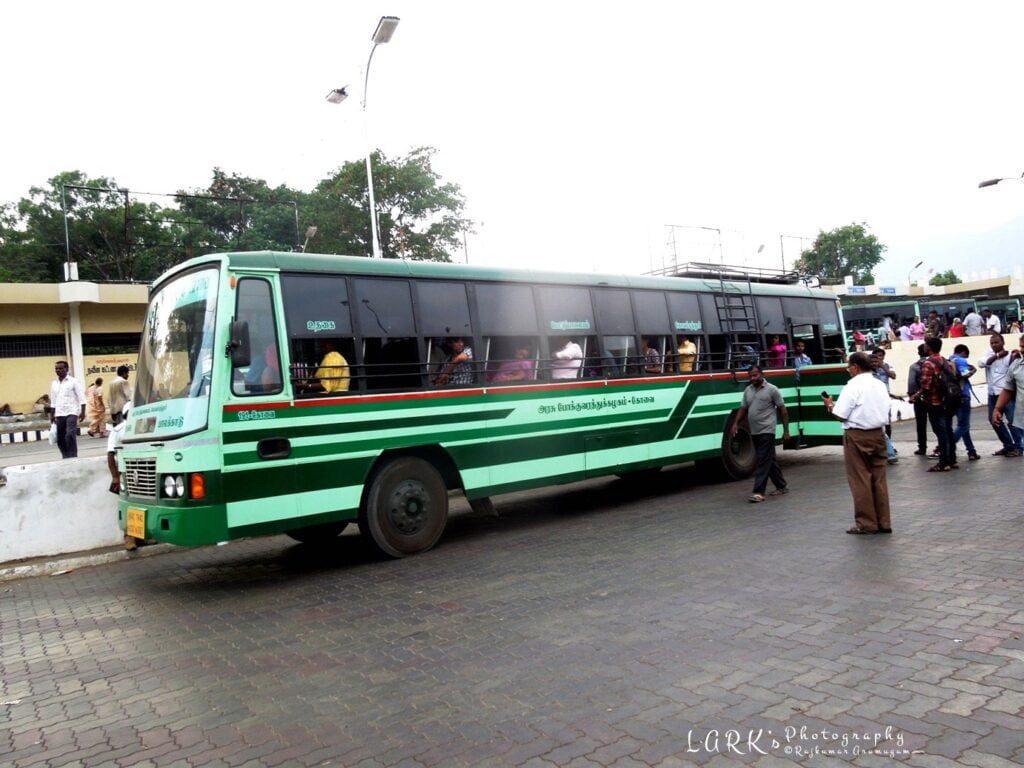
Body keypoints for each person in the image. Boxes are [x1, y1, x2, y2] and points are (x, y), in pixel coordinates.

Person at [822, 352, 892, 534]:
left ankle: (866, 523)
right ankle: (884, 522)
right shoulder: (879, 384)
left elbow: (840, 414)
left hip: (857, 435)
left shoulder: (852, 386)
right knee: (879, 480)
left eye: (849, 367)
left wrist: (830, 405)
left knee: (860, 480)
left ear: (855, 367)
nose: (848, 371)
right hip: (878, 434)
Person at [730, 365, 790, 503]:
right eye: (750, 376)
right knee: (769, 459)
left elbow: (783, 410)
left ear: (761, 375)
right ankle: (781, 485)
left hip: (768, 430)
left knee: (762, 460)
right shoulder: (748, 390)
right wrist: (736, 423)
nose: (752, 378)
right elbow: (743, 408)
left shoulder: (772, 389)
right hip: (754, 431)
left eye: (755, 375)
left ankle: (759, 492)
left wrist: (786, 431)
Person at [978, 333, 1023, 457]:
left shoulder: (1010, 357)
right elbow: (982, 363)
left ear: (1003, 343)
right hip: (992, 393)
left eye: (996, 342)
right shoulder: (988, 355)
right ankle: (1008, 445)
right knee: (994, 421)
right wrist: (997, 356)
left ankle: (1019, 447)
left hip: (1006, 394)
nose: (994, 345)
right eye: (992, 343)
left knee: (1013, 421)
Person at [918, 337, 958, 471]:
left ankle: (943, 462)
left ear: (928, 347)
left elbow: (926, 385)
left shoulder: (928, 363)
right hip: (948, 400)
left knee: (940, 432)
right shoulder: (945, 360)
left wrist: (918, 395)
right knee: (948, 430)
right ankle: (952, 459)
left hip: (935, 401)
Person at [992, 334, 1024, 452]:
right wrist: (997, 409)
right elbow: (1008, 389)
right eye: (1021, 347)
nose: (1022, 350)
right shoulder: (1016, 365)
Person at [48, 360, 86, 459]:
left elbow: (81, 397)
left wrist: (83, 412)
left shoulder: (73, 381)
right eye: (56, 368)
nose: (58, 370)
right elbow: (53, 400)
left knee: (70, 434)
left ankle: (73, 456)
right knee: (60, 438)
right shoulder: (54, 383)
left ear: (67, 369)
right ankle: (65, 456)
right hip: (59, 413)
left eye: (61, 368)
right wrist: (52, 414)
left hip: (72, 412)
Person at [948, 343, 979, 461]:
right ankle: (946, 447)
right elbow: (965, 374)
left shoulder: (948, 360)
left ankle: (971, 451)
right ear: (963, 352)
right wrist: (974, 370)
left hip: (953, 396)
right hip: (963, 395)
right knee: (963, 425)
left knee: (963, 426)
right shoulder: (960, 360)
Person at [870, 348, 898, 464]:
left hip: (885, 400)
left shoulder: (887, 366)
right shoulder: (869, 371)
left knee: (887, 424)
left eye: (881, 356)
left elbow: (893, 376)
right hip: (873, 401)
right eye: (876, 356)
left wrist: (882, 367)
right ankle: (887, 448)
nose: (879, 358)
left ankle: (889, 445)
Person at [906, 344, 930, 456]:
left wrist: (912, 395)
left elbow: (911, 384)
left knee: (921, 424)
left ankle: (922, 447)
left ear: (919, 353)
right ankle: (943, 445)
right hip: (934, 397)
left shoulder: (914, 366)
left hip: (919, 398)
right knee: (938, 423)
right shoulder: (936, 363)